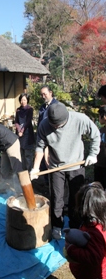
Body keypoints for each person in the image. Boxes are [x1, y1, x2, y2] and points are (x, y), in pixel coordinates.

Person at [30, 102, 100, 239]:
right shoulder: (44, 125)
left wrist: (93, 153)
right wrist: (35, 167)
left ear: (66, 119)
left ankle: (75, 226)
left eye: (58, 125)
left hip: (76, 166)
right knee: (57, 198)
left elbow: (95, 135)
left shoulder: (80, 119)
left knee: (76, 198)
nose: (55, 128)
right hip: (56, 167)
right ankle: (57, 225)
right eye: (53, 125)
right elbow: (39, 147)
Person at [65, 182, 106, 279]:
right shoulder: (95, 223)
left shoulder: (95, 232)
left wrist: (71, 249)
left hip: (93, 277)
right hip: (90, 274)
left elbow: (94, 257)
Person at [37, 85, 58, 184]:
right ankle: (46, 182)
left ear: (50, 93)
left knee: (51, 160)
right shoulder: (42, 107)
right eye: (41, 94)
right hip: (42, 137)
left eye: (44, 94)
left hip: (53, 137)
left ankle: (53, 182)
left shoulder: (57, 106)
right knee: (42, 162)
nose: (43, 96)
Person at [15, 93, 35, 172]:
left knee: (28, 154)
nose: (23, 101)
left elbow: (28, 121)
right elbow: (16, 121)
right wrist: (19, 129)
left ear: (27, 100)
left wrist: (22, 130)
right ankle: (23, 171)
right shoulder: (18, 110)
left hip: (27, 133)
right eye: (21, 100)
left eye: (24, 100)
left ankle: (29, 172)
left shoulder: (30, 109)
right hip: (20, 134)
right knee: (21, 153)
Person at [94, 106, 106, 188]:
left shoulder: (102, 131)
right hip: (100, 164)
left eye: (99, 116)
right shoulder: (101, 130)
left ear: (104, 116)